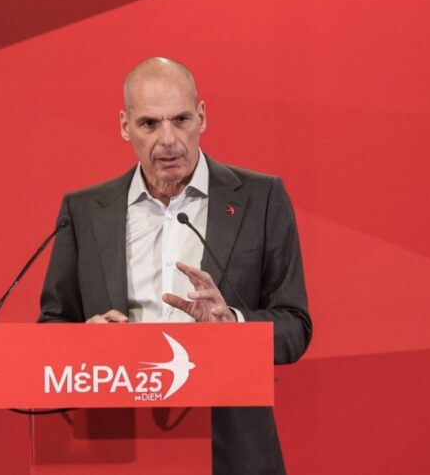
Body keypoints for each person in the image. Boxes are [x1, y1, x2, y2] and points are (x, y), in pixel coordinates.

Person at [38, 57, 312, 474]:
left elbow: (295, 327)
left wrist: (233, 323)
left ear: (201, 116)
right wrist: (84, 343)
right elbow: (51, 329)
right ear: (125, 126)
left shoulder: (262, 198)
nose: (169, 140)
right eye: (149, 124)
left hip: (231, 453)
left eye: (181, 119)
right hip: (119, 446)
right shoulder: (85, 210)